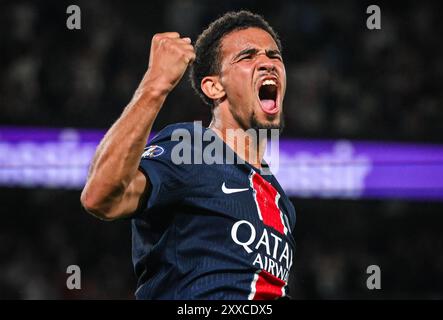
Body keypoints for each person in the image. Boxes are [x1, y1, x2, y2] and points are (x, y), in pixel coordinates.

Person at [81, 10, 296, 300]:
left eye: (274, 55)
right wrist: (156, 84)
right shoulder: (193, 149)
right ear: (214, 86)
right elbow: (100, 196)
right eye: (247, 56)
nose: (267, 64)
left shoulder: (279, 201)